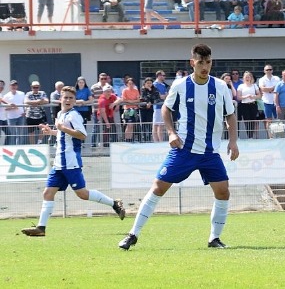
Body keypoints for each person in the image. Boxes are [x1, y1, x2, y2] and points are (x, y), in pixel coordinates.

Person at [118, 44, 238, 250]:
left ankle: (214, 238)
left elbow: (230, 115)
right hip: (184, 149)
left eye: (208, 62)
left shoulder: (220, 86)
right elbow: (166, 109)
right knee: (158, 187)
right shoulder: (181, 85)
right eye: (200, 62)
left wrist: (233, 141)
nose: (204, 67)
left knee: (223, 192)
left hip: (209, 152)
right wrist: (171, 132)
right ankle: (132, 234)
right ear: (192, 62)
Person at [21, 86, 126, 237]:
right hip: (59, 162)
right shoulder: (60, 113)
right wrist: (52, 131)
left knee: (82, 194)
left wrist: (62, 128)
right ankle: (41, 228)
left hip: (70, 161)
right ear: (61, 99)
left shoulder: (74, 115)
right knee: (48, 192)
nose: (68, 100)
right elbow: (64, 134)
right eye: (66, 97)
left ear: (75, 100)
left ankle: (114, 204)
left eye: (71, 98)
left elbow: (82, 135)